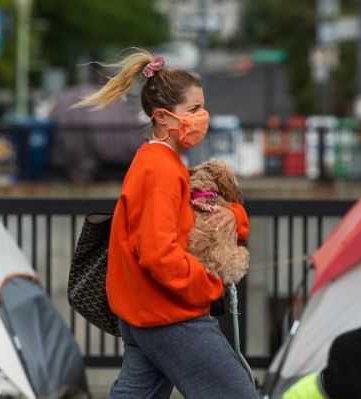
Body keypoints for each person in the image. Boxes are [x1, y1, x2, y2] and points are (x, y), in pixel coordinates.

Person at [73, 50, 258, 399]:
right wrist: (207, 285)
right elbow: (158, 252)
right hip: (171, 315)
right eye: (193, 110)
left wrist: (233, 216)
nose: (202, 117)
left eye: (202, 107)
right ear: (162, 116)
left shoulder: (157, 161)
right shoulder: (160, 170)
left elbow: (202, 215)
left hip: (146, 313)